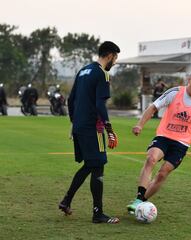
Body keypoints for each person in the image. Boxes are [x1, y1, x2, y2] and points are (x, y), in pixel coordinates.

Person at [126, 68, 191, 213]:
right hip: (164, 136)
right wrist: (140, 125)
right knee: (151, 159)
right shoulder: (174, 93)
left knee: (162, 174)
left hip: (182, 143)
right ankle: (139, 198)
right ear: (189, 79)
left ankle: (141, 204)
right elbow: (153, 108)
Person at [58, 41, 120, 224]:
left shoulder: (83, 71)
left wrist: (73, 122)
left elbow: (71, 100)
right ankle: (98, 214)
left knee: (90, 164)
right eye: (115, 58)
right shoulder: (102, 74)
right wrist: (109, 130)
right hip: (94, 128)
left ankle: (66, 200)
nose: (114, 63)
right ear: (109, 56)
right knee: (98, 165)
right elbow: (101, 104)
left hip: (80, 126)